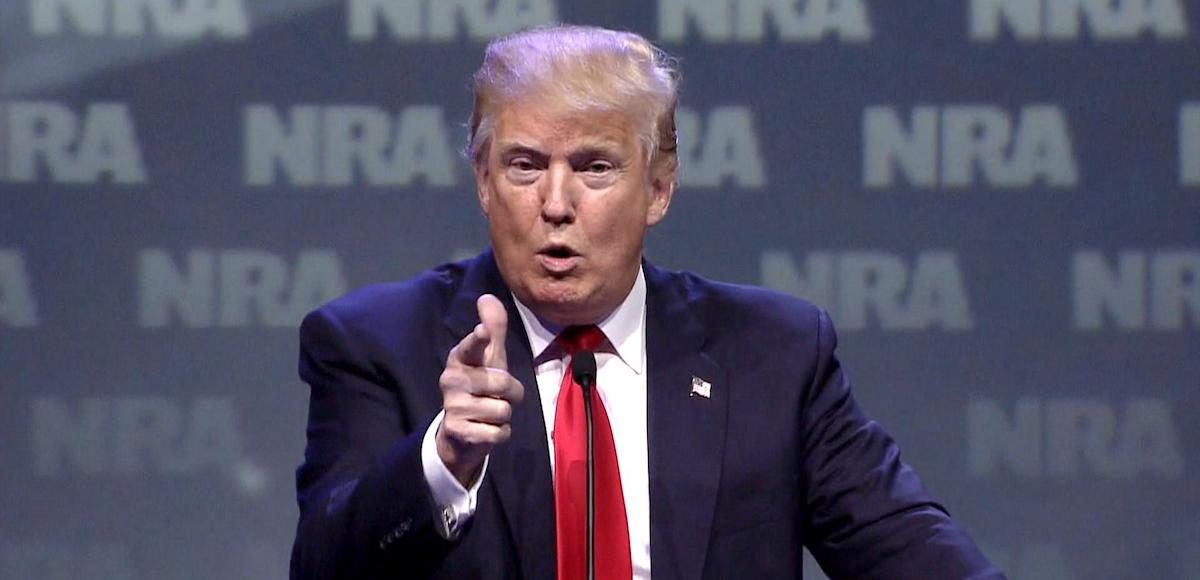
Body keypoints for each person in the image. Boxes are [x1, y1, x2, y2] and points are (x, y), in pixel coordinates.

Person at [290, 24, 1004, 580]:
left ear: (659, 189)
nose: (556, 204)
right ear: (482, 180)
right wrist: (440, 463)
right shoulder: (375, 343)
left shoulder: (774, 355)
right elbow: (322, 565)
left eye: (594, 167)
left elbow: (910, 551)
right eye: (524, 166)